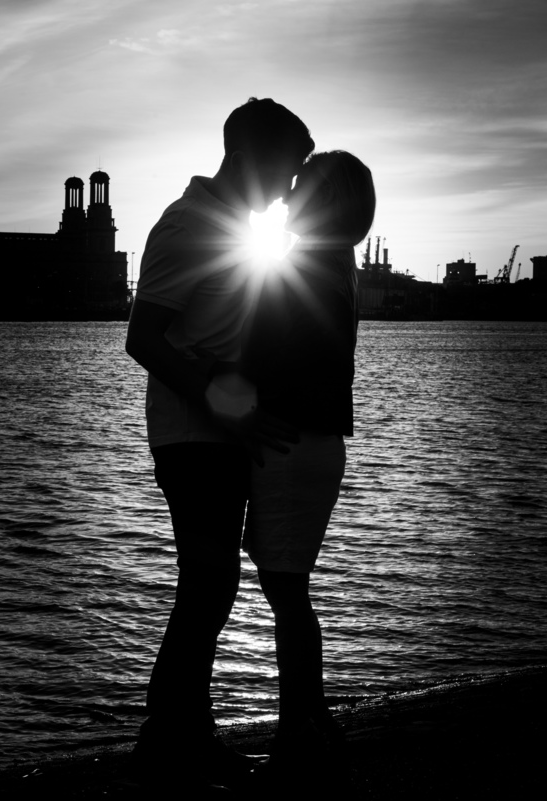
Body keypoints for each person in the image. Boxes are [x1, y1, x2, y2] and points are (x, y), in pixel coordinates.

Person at [124, 97, 315, 790]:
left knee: (212, 584)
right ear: (253, 158)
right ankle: (170, 738)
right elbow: (142, 338)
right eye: (288, 171)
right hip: (191, 434)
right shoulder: (188, 225)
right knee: (208, 582)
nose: (290, 188)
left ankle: (179, 735)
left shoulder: (237, 227)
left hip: (219, 430)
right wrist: (218, 403)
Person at [240, 151, 375, 785]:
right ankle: (309, 719)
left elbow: (263, 355)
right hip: (316, 446)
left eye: (301, 184)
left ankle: (299, 727)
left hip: (291, 446)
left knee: (287, 595)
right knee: (289, 592)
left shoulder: (300, 267)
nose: (288, 191)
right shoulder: (338, 267)